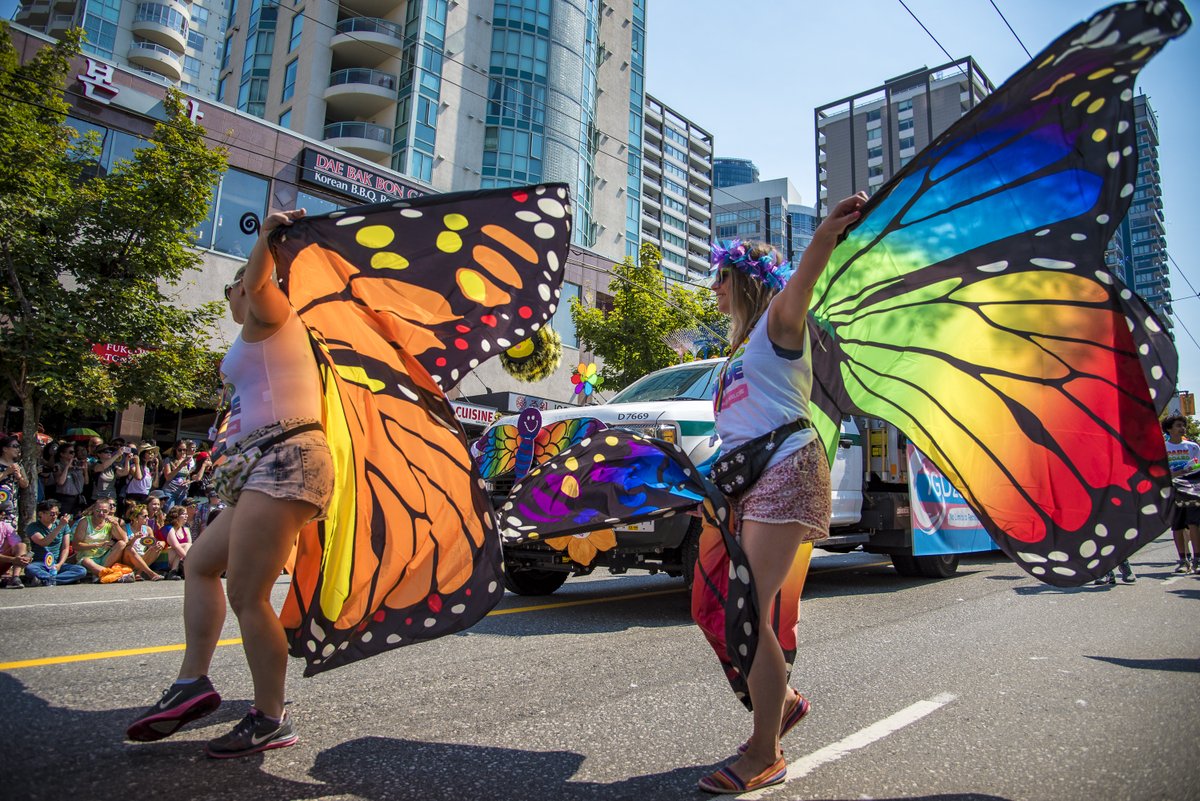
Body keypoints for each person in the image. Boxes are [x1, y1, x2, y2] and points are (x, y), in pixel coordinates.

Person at [127, 208, 333, 759]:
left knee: (247, 592)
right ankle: (193, 682)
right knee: (199, 564)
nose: (232, 293)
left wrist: (267, 237)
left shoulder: (275, 314)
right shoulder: (253, 335)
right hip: (259, 464)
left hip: (288, 457)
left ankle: (271, 718)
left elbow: (261, 279)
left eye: (235, 286)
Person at [695, 194, 866, 795]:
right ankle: (783, 700)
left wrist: (825, 232)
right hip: (747, 480)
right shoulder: (734, 356)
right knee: (711, 603)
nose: (713, 290)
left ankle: (765, 752)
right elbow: (738, 431)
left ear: (744, 280)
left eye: (720, 279)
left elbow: (805, 275)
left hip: (790, 470)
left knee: (749, 610)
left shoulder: (780, 323)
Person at [1163, 414, 1200, 574]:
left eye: (1182, 425)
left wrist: (1188, 469)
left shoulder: (1192, 447)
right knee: (1177, 525)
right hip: (1173, 489)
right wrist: (1175, 474)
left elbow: (1198, 465)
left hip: (1192, 488)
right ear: (1169, 429)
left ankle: (1197, 559)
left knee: (1194, 524)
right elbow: (1160, 471)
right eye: (1178, 425)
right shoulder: (1163, 447)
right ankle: (1183, 560)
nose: (1182, 428)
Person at [26, 499, 87, 586]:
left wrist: (59, 564)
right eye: (51, 513)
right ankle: (55, 579)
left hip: (57, 564)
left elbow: (65, 548)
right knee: (30, 568)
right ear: (41, 514)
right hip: (40, 564)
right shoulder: (33, 527)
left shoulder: (62, 525)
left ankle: (47, 580)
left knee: (81, 570)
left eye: (57, 513)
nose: (54, 516)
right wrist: (60, 526)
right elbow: (44, 542)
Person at [69, 499, 132, 582]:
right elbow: (76, 545)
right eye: (98, 510)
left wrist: (116, 525)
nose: (101, 513)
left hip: (104, 557)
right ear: (93, 510)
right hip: (87, 558)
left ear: (109, 511)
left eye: (105, 511)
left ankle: (100, 573)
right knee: (86, 561)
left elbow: (125, 540)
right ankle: (115, 576)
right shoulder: (84, 522)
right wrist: (98, 545)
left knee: (121, 544)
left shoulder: (110, 522)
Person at [122, 502, 165, 581]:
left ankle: (138, 573)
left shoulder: (148, 529)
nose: (148, 518)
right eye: (145, 516)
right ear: (135, 518)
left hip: (142, 556)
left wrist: (160, 543)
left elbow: (152, 543)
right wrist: (134, 538)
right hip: (129, 558)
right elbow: (124, 546)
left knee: (160, 544)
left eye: (147, 516)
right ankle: (151, 573)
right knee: (130, 549)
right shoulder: (125, 527)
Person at [0, 436, 30, 530]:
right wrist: (6, 472)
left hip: (11, 508)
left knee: (10, 535)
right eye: (15, 446)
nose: (17, 449)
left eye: (18, 446)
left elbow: (25, 484)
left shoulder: (18, 465)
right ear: (5, 449)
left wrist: (19, 477)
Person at [160, 505, 191, 580]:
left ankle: (175, 570)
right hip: (163, 558)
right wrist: (189, 560)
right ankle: (179, 569)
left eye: (186, 514)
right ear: (176, 516)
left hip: (178, 557)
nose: (186, 516)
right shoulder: (168, 528)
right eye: (183, 514)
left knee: (186, 546)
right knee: (180, 547)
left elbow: (190, 546)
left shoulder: (186, 529)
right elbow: (176, 546)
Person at [0, 519, 31, 588]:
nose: (3, 513)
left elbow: (17, 545)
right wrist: (13, 559)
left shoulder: (5, 526)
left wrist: (24, 558)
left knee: (21, 545)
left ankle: (15, 578)